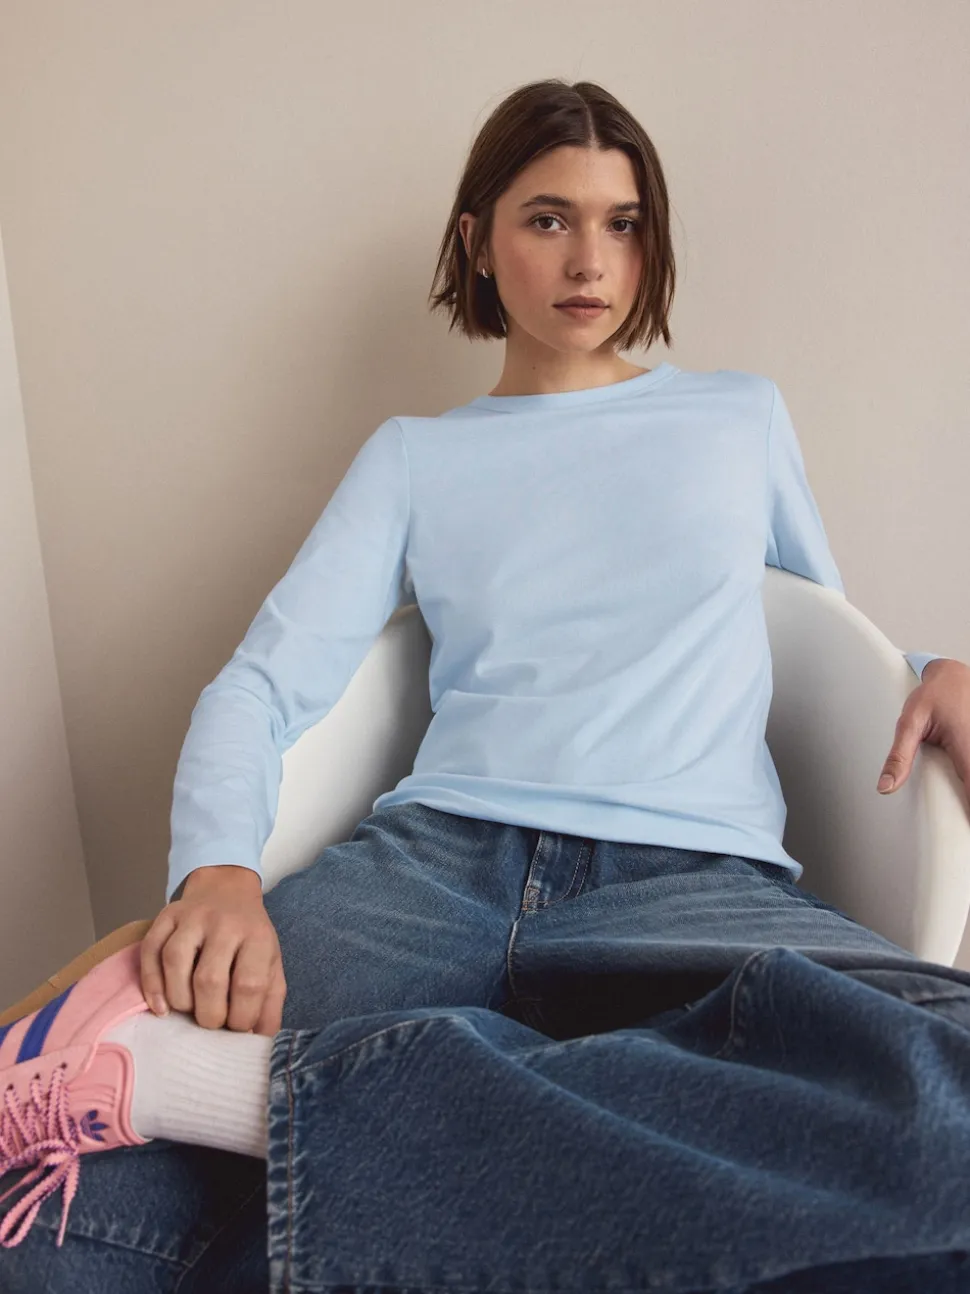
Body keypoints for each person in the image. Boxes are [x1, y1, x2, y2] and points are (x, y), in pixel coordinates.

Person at [2, 76, 969, 1294]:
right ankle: (361, 1110)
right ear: (476, 240)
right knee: (61, 1231)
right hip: (428, 874)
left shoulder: (739, 418)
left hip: (688, 879)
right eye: (548, 218)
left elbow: (824, 629)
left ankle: (231, 1093)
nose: (591, 260)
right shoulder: (416, 456)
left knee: (947, 1083)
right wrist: (218, 872)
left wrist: (932, 669)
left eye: (622, 223)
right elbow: (260, 686)